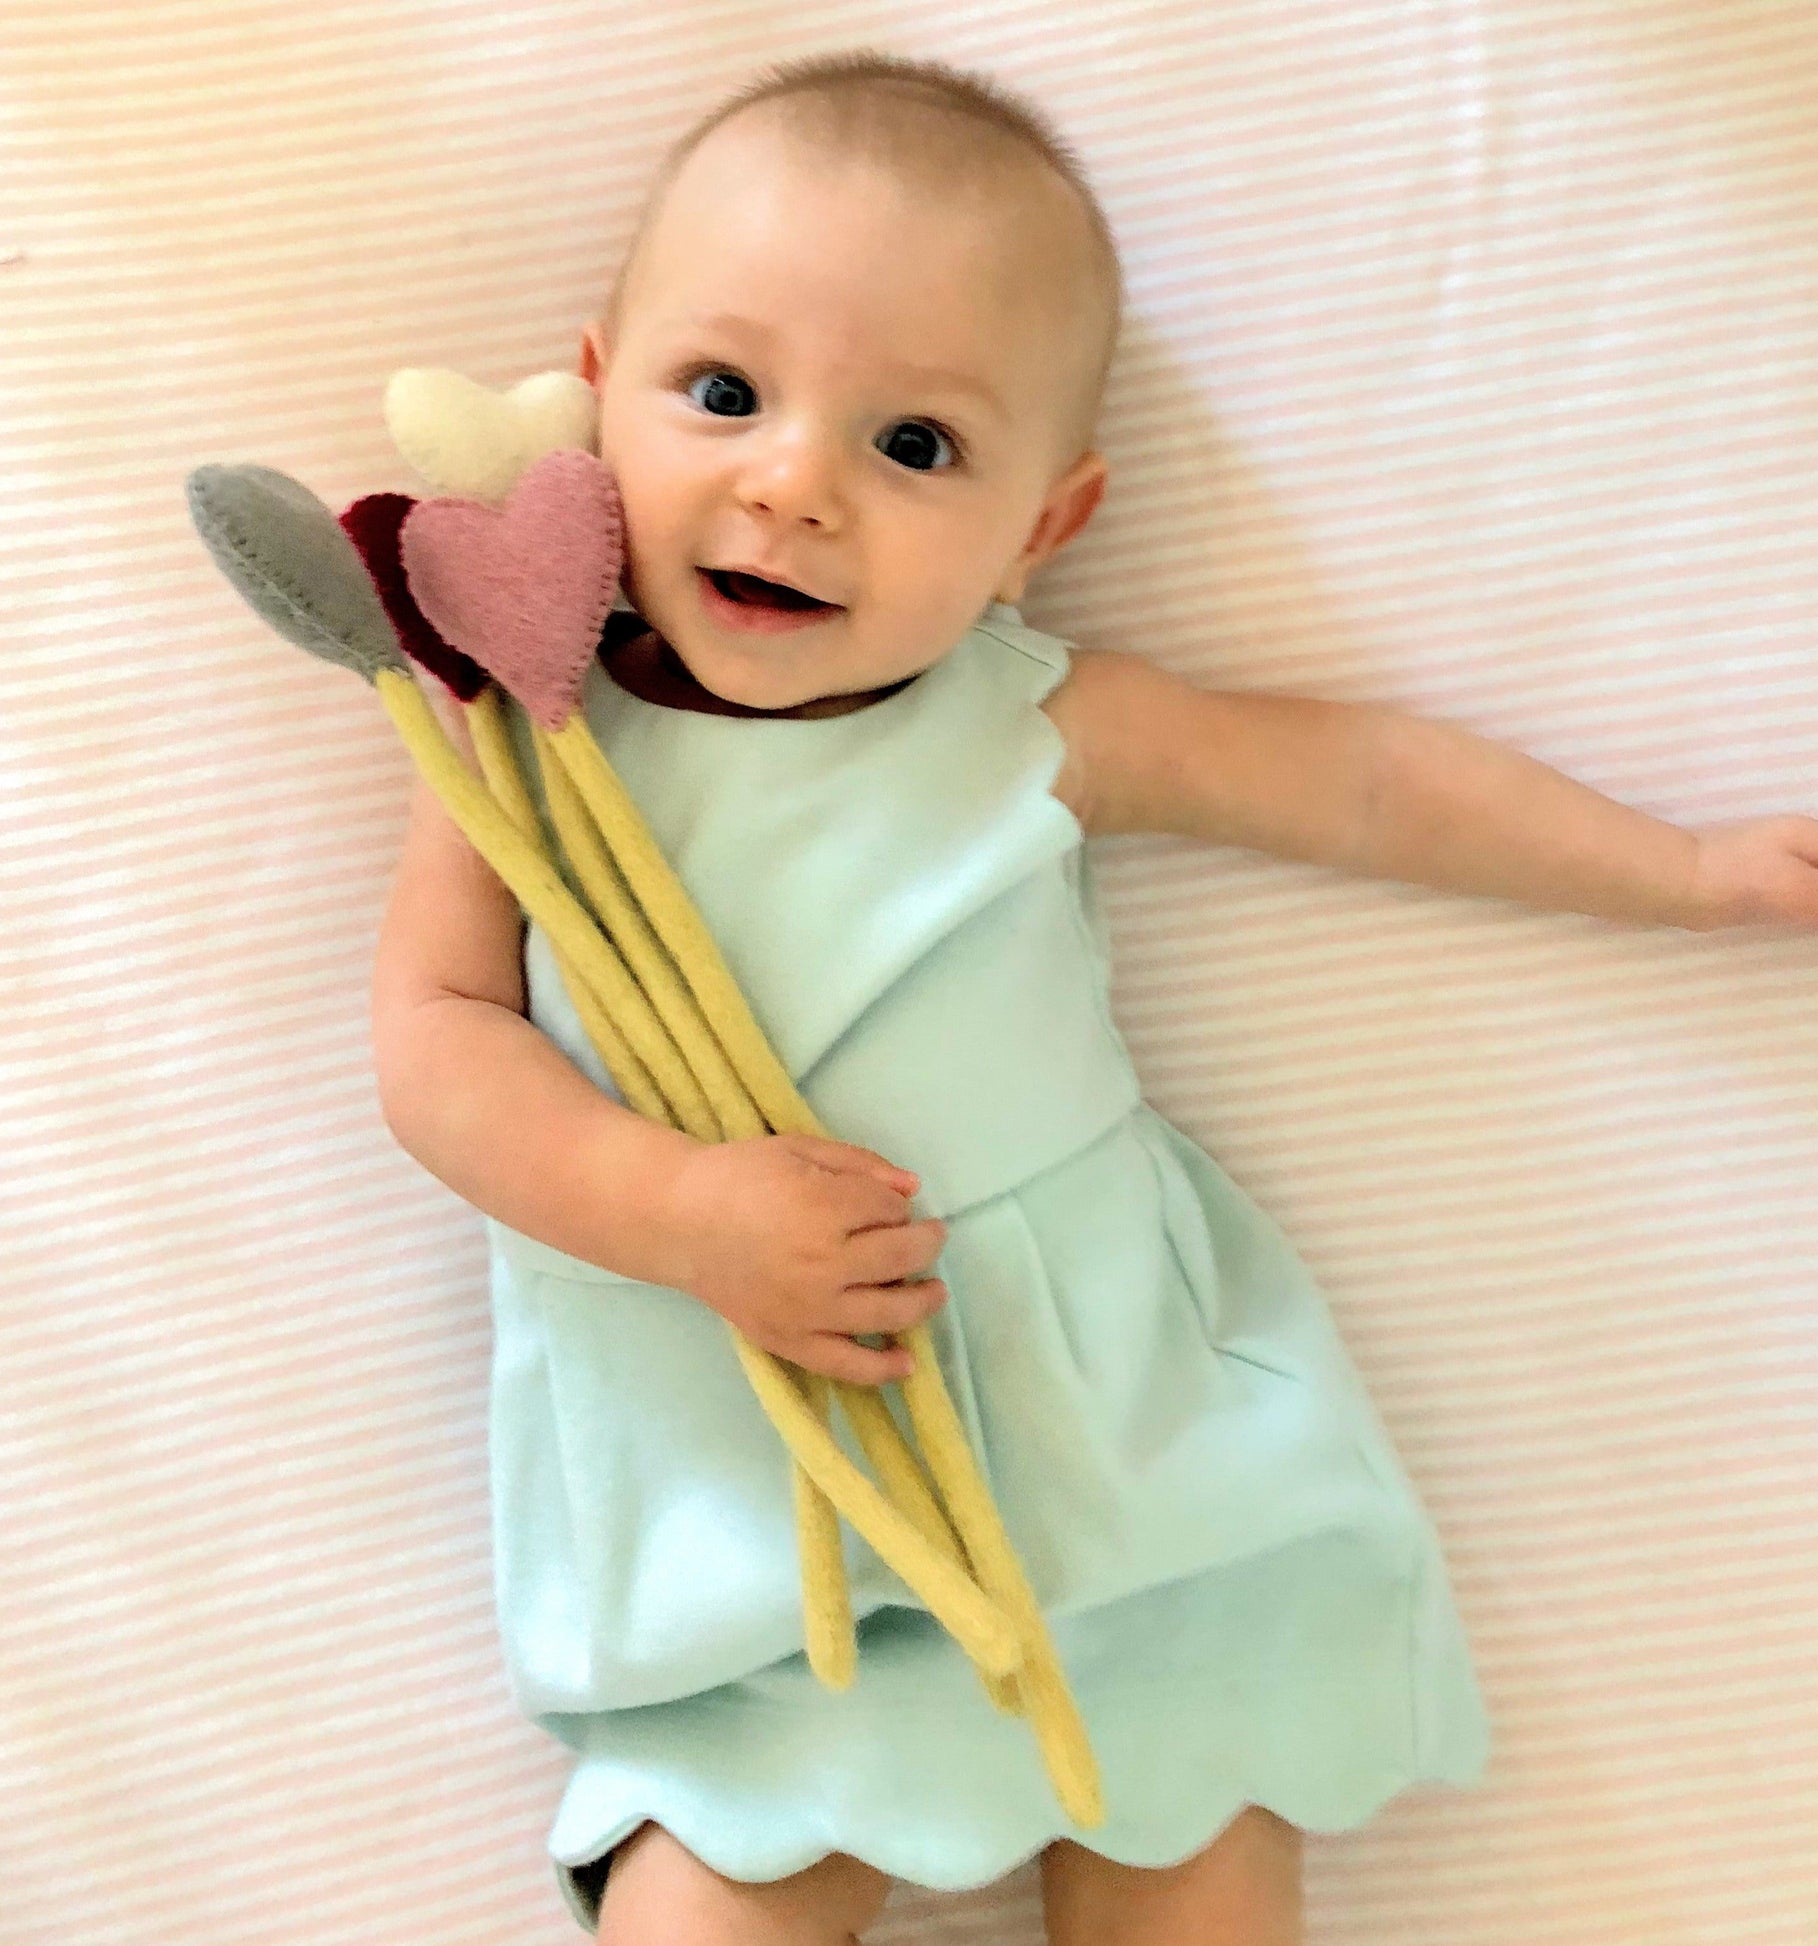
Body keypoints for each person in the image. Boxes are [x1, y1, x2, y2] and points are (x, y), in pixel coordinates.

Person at [369, 49, 1818, 1946]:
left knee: (1190, 1861)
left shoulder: (1028, 722)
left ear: (1043, 527)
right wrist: (681, 1211)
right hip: (754, 1504)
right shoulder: (533, 747)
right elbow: (433, 1038)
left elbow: (1364, 779)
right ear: (589, 401)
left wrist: (1684, 869)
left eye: (916, 446)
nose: (792, 482)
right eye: (720, 393)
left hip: (1113, 1471)